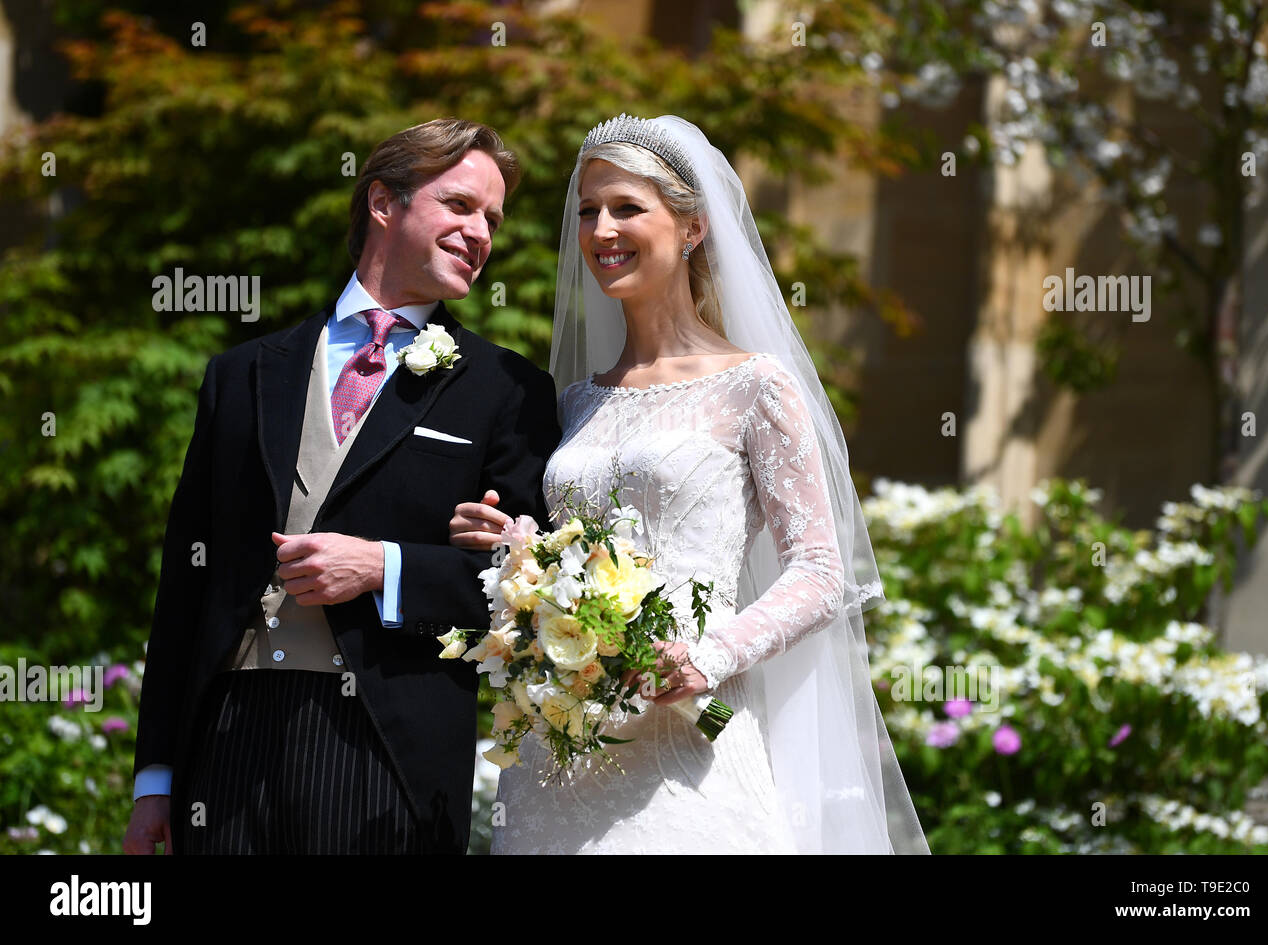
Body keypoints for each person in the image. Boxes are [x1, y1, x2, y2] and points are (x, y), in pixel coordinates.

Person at [449, 114, 929, 854]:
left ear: (694, 227)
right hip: (558, 762)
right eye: (587, 211)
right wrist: (516, 549)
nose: (601, 229)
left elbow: (822, 570)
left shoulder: (756, 386)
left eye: (626, 208)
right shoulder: (572, 402)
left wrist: (709, 654)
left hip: (689, 753)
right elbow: (568, 556)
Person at [123, 118, 560, 855]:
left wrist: (382, 566)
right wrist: (155, 777)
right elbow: (185, 586)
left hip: (387, 761)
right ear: (383, 203)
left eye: (492, 218)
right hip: (226, 748)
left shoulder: (508, 389)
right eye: (460, 205)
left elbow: (527, 591)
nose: (481, 231)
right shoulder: (242, 374)